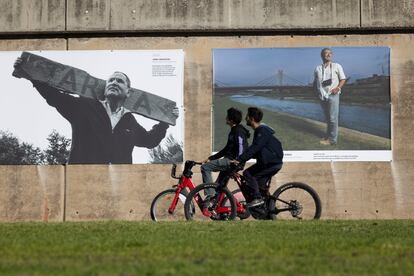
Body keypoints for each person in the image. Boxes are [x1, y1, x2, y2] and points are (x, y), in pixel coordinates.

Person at [15, 58, 177, 164]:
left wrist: (164, 123)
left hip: (117, 183)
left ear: (128, 92)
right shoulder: (85, 107)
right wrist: (32, 75)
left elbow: (149, 141)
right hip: (81, 178)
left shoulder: (129, 121)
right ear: (105, 87)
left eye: (119, 81)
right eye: (111, 80)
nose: (114, 82)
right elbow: (55, 97)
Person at [232, 107, 283, 207]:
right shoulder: (261, 131)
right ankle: (266, 209)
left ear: (252, 118)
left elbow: (255, 148)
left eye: (247, 116)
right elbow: (256, 151)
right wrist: (242, 159)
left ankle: (257, 198)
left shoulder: (261, 131)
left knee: (248, 174)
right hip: (270, 162)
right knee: (259, 186)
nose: (245, 118)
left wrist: (239, 159)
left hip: (271, 163)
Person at [201, 107, 250, 197]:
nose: (225, 118)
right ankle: (219, 207)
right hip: (230, 160)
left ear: (231, 120)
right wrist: (211, 158)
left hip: (232, 161)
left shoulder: (238, 131)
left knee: (205, 167)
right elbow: (226, 149)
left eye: (227, 116)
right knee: (219, 186)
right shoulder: (234, 130)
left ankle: (210, 195)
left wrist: (238, 161)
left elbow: (241, 147)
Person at [314, 48, 346, 145]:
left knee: (333, 118)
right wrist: (316, 93)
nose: (328, 55)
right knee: (328, 118)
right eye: (326, 53)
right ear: (322, 55)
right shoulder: (317, 68)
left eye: (330, 53)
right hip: (322, 96)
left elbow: (343, 79)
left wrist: (338, 88)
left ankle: (332, 140)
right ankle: (328, 136)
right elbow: (315, 82)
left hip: (333, 95)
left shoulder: (337, 66)